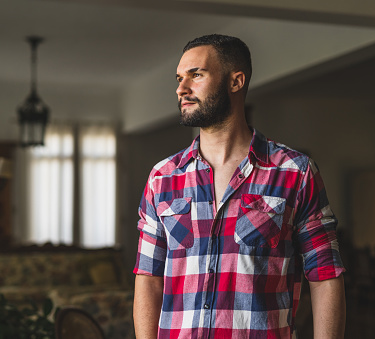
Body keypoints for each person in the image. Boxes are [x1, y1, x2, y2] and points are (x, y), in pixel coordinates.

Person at [133, 34, 346, 339]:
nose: (182, 88)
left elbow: (325, 276)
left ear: (236, 82)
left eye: (197, 75)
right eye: (180, 78)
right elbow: (149, 278)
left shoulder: (296, 173)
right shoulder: (162, 178)